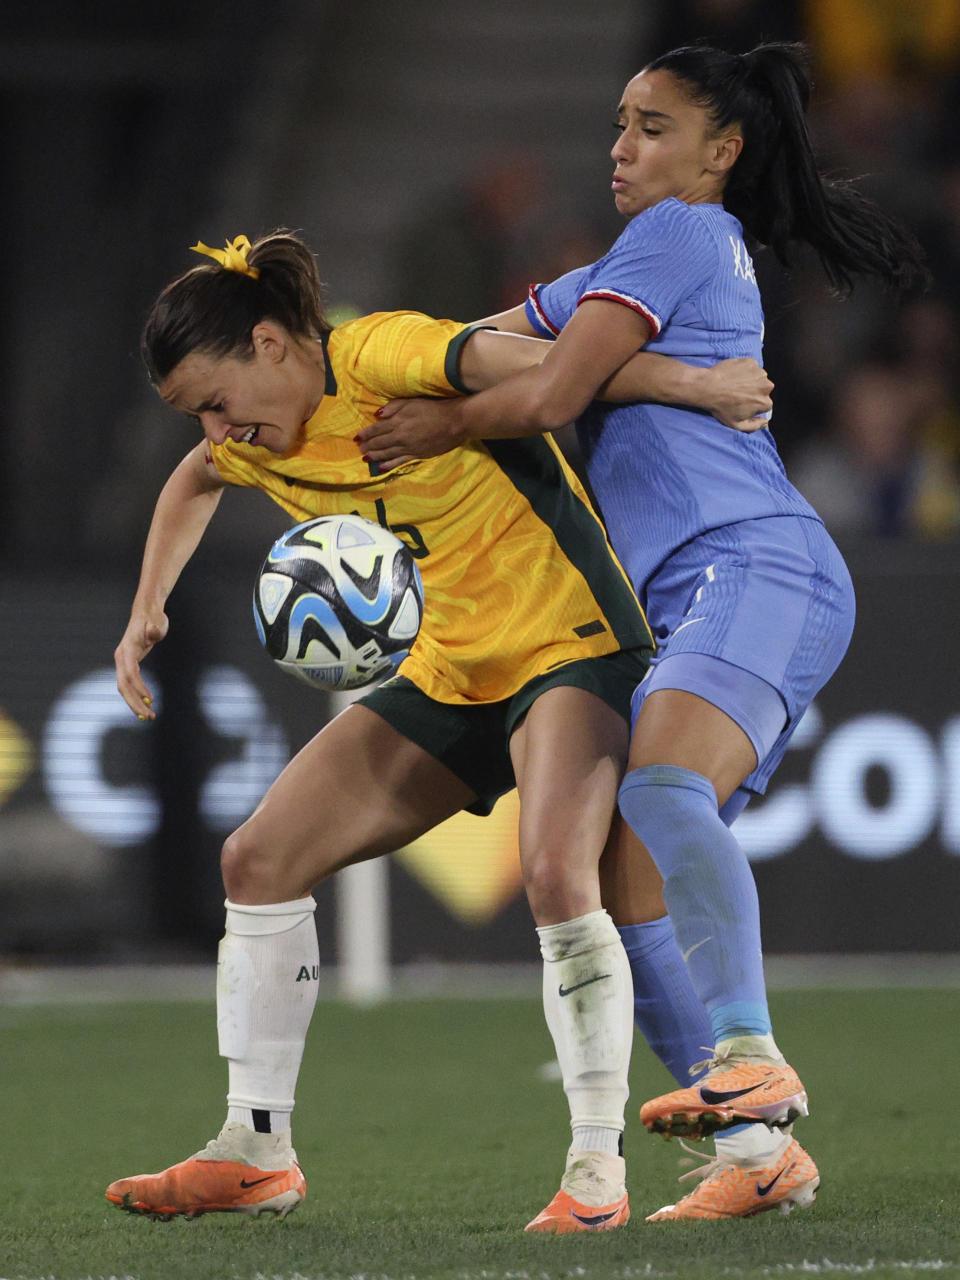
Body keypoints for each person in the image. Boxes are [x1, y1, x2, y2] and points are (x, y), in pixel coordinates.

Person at [356, 42, 928, 1221]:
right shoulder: (618, 269)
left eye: (654, 127)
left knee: (664, 791)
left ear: (721, 152)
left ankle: (751, 1051)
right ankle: (757, 1153)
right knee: (629, 882)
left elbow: (552, 392)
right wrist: (339, 375)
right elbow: (481, 340)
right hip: (697, 590)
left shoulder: (679, 235)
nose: (623, 146)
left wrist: (438, 426)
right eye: (620, 122)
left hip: (753, 559)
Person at [105, 231, 772, 1232]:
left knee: (555, 872)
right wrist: (145, 605)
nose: (215, 428)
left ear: (276, 345)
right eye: (197, 411)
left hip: (571, 645)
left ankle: (596, 1170)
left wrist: (700, 386)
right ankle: (255, 1146)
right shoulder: (254, 438)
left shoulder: (380, 357)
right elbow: (193, 481)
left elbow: (557, 368)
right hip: (452, 669)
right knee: (257, 857)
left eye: (215, 396)